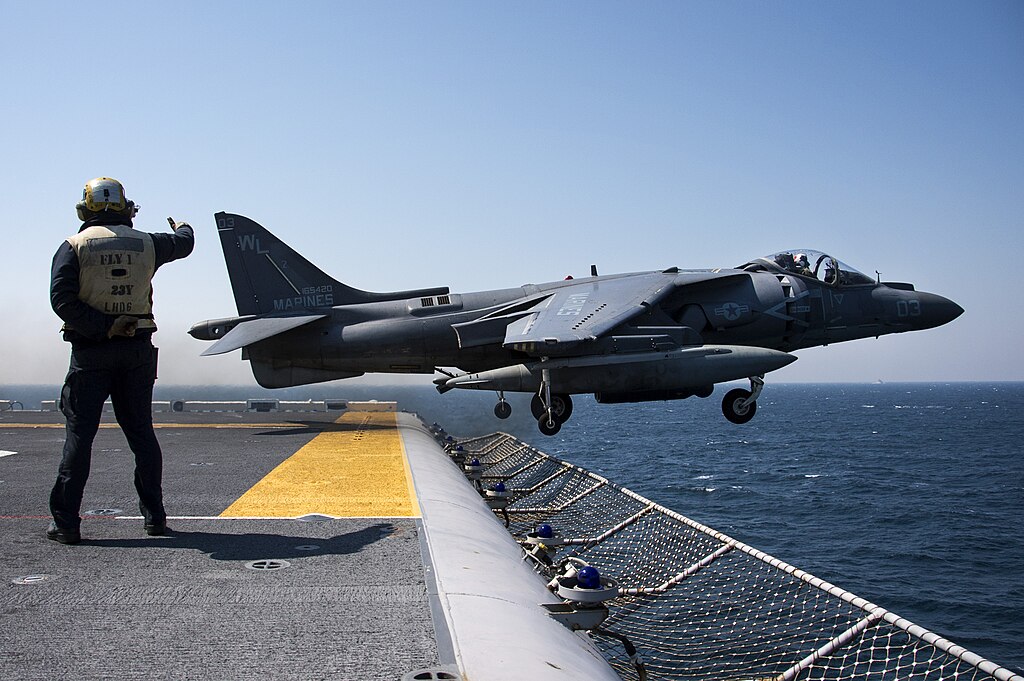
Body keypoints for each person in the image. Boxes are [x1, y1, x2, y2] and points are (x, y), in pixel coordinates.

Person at [47, 177, 194, 544]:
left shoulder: (73, 246)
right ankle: (155, 518)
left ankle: (66, 524)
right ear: (126, 208)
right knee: (142, 435)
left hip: (90, 354)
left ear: (86, 208)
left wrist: (103, 326)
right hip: (137, 352)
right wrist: (183, 226)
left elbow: (61, 300)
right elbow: (185, 243)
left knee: (80, 437)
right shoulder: (149, 243)